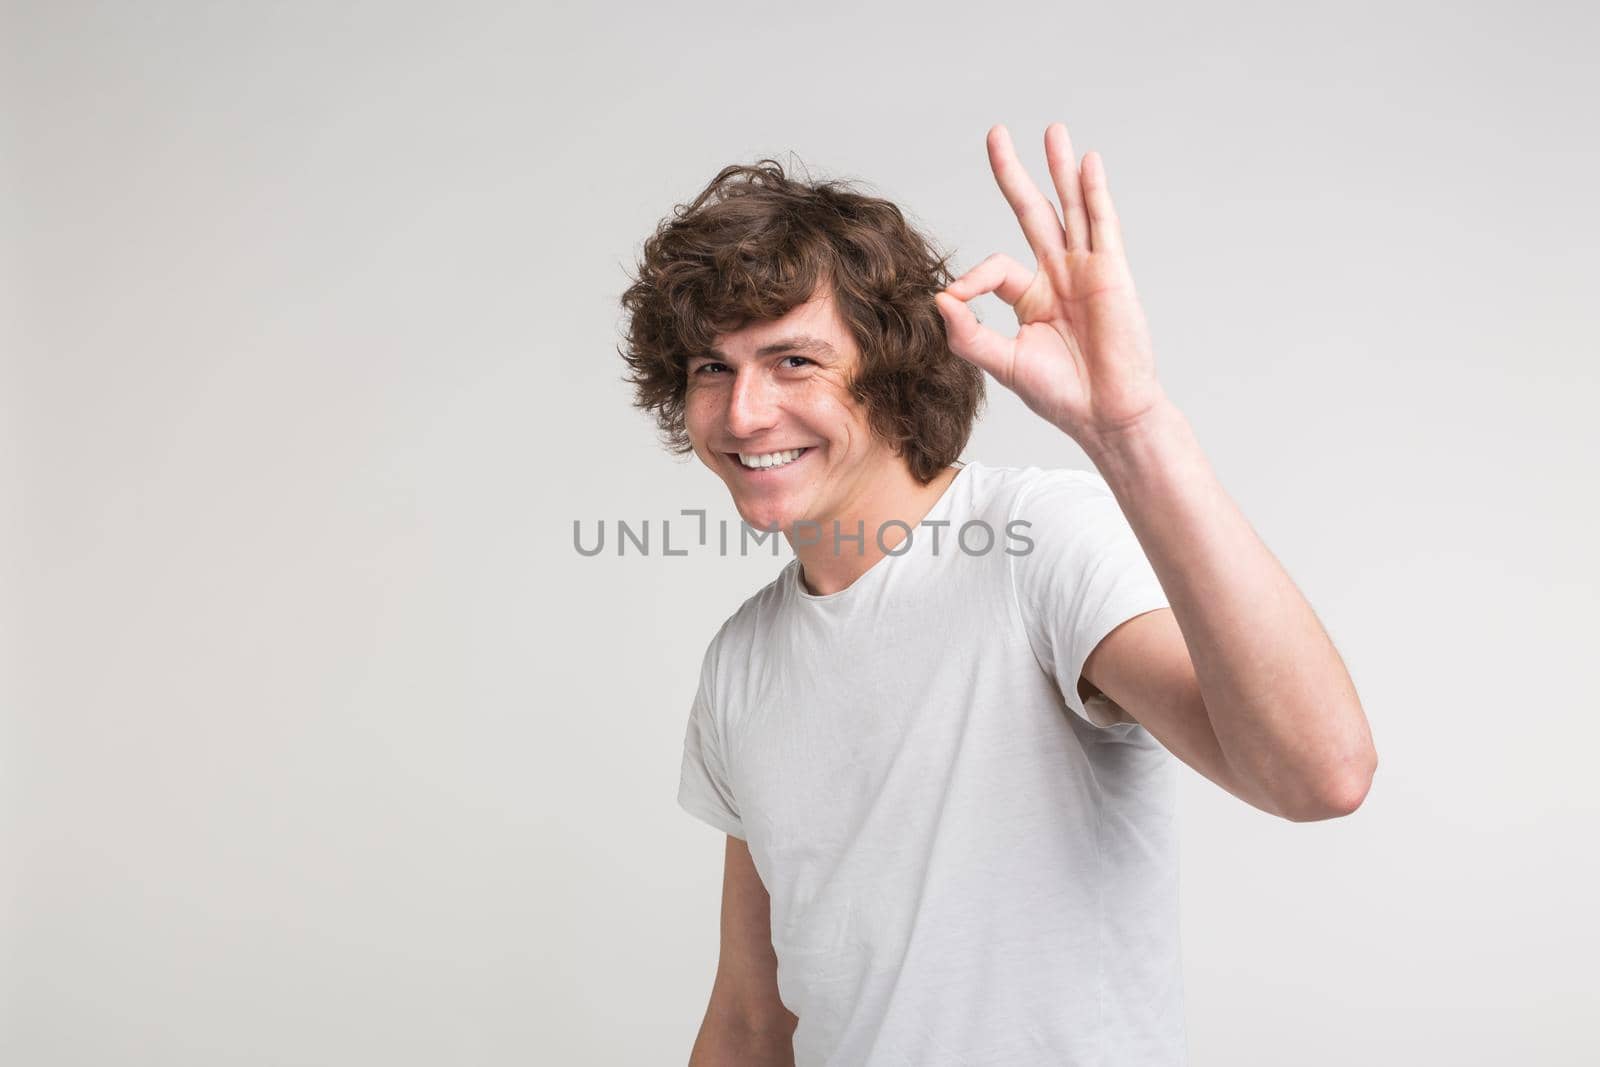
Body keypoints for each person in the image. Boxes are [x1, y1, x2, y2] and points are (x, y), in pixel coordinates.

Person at [617, 122, 1378, 1067]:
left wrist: (1133, 429)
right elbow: (749, 1020)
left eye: (794, 361)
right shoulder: (740, 660)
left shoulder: (1035, 543)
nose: (743, 412)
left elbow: (1318, 774)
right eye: (711, 369)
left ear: (888, 371)